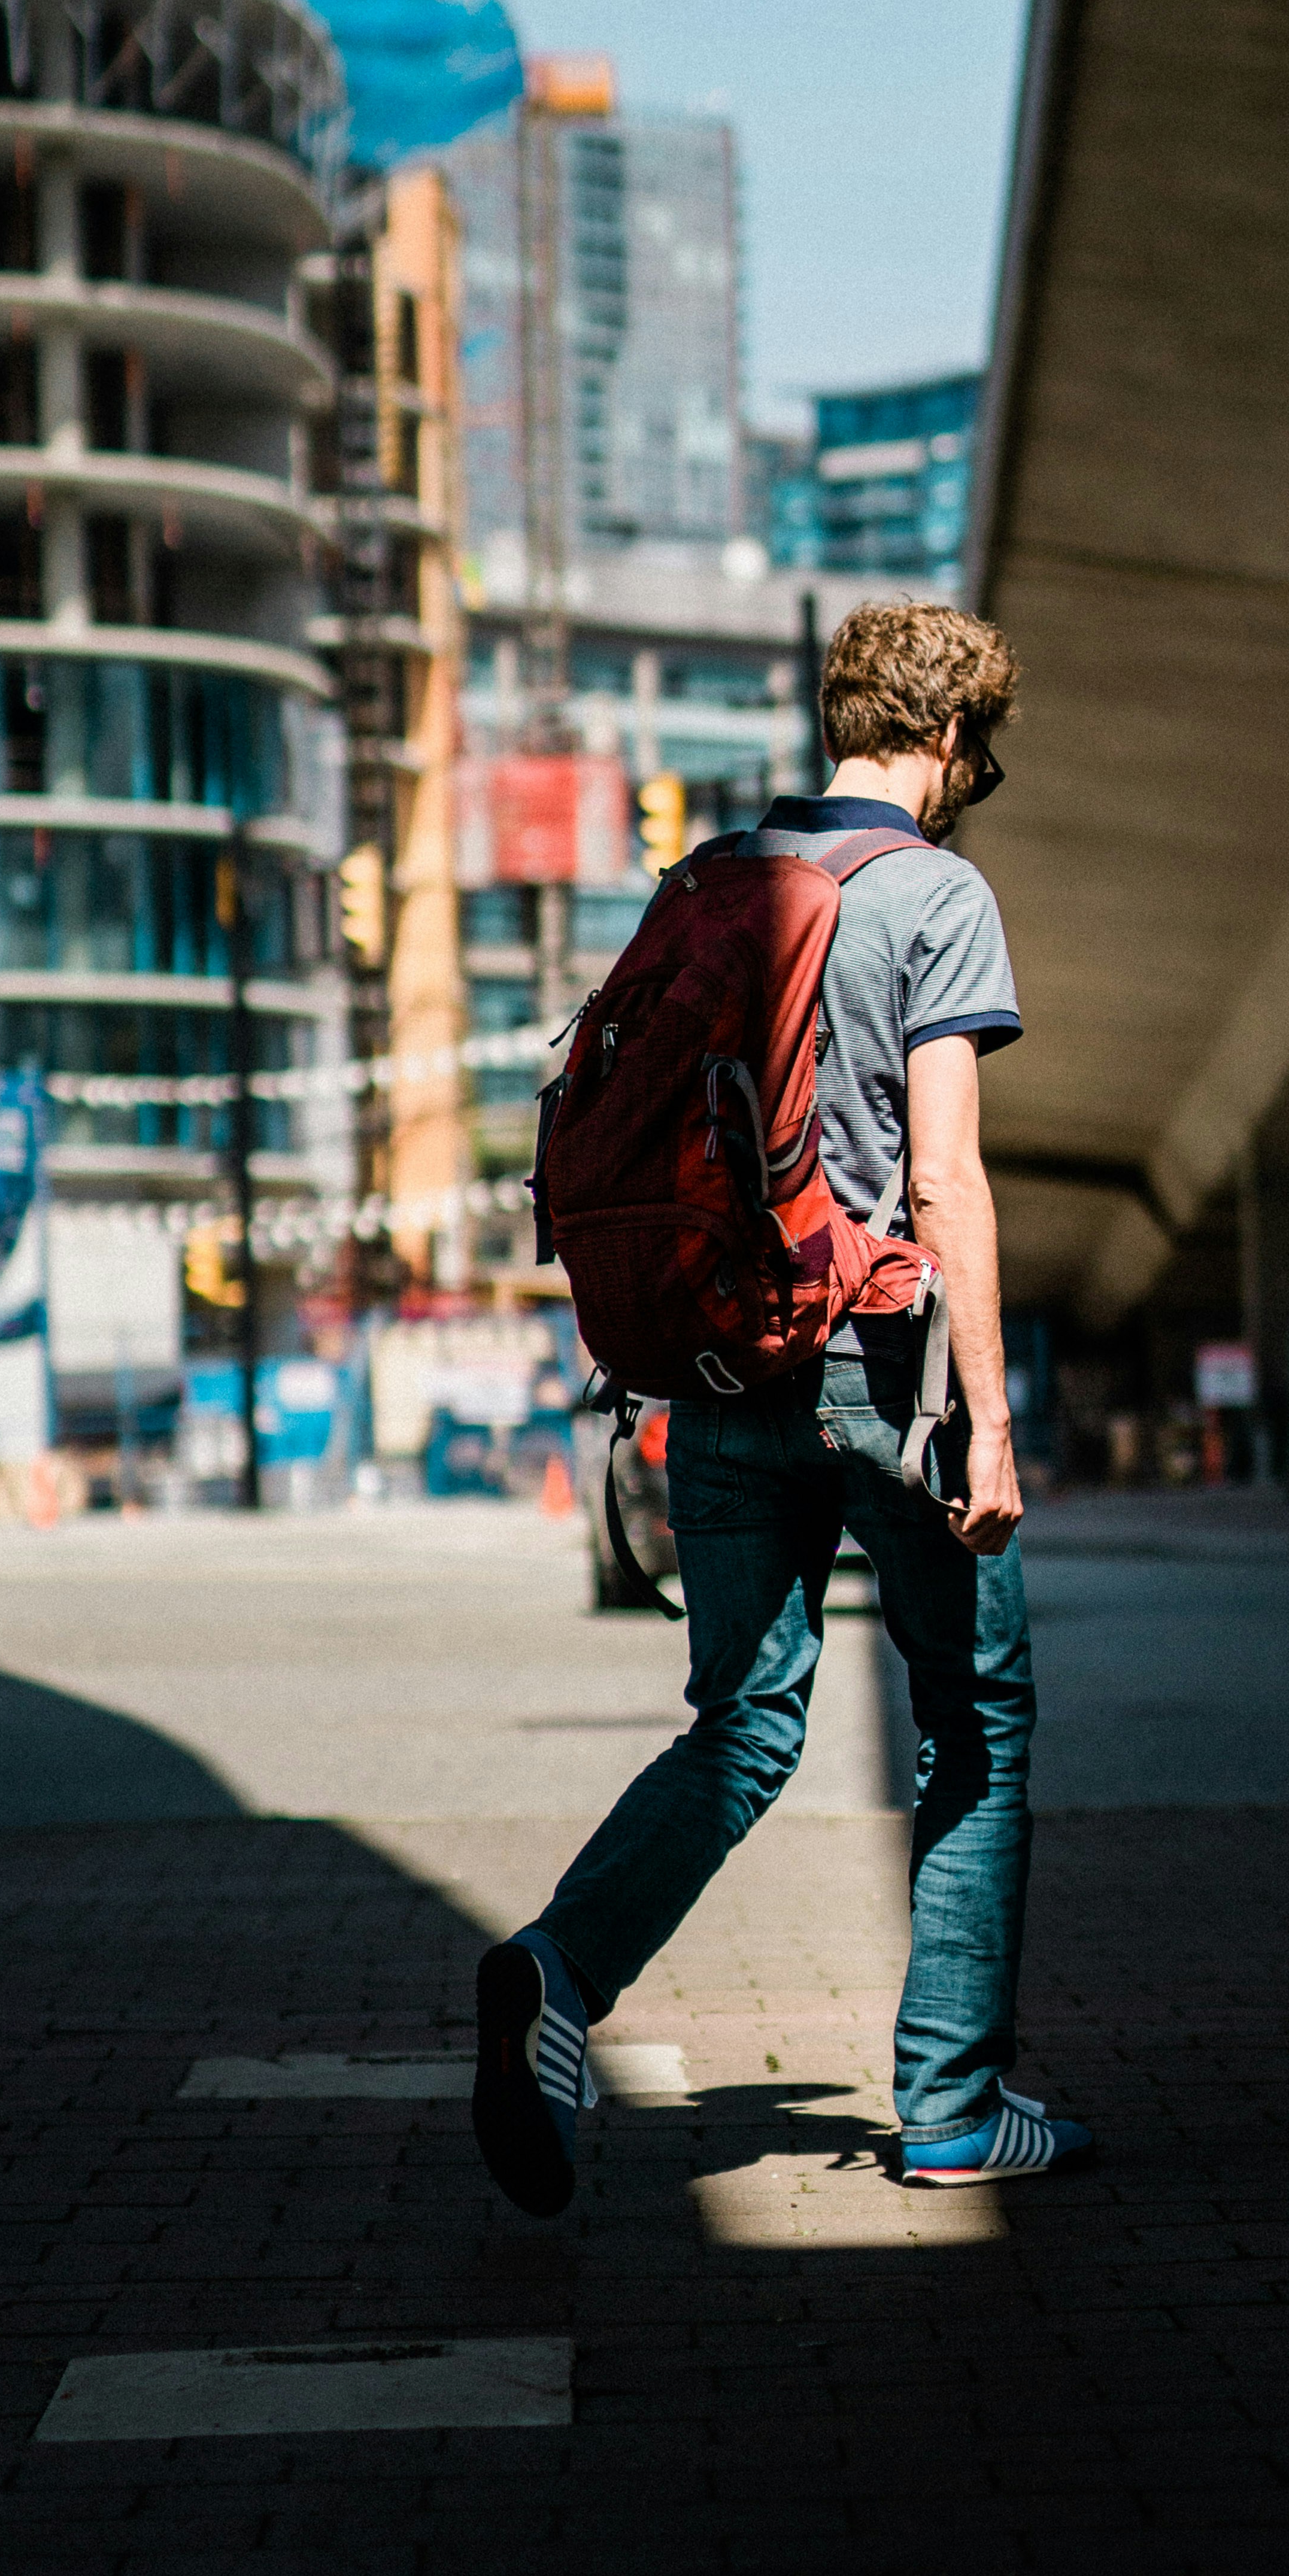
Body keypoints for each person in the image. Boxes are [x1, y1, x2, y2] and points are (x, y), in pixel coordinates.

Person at [472, 602, 1094, 2214]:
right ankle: (955, 2105)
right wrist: (992, 1422)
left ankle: (557, 1971)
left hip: (718, 1362)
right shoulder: (938, 892)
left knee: (743, 1725)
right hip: (878, 1359)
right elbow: (945, 1177)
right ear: (952, 740)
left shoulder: (712, 884)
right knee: (977, 1720)